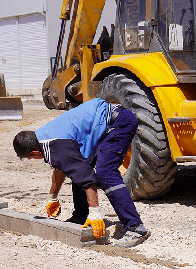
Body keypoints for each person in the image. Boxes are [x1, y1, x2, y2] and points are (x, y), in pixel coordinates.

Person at [12, 98, 150, 247]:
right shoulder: (43, 137)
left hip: (119, 123)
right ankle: (80, 217)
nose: (32, 160)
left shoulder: (55, 145)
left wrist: (95, 213)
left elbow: (87, 178)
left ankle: (136, 227)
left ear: (34, 152)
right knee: (77, 169)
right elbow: (62, 166)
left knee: (105, 173)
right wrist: (52, 197)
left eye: (30, 158)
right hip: (105, 123)